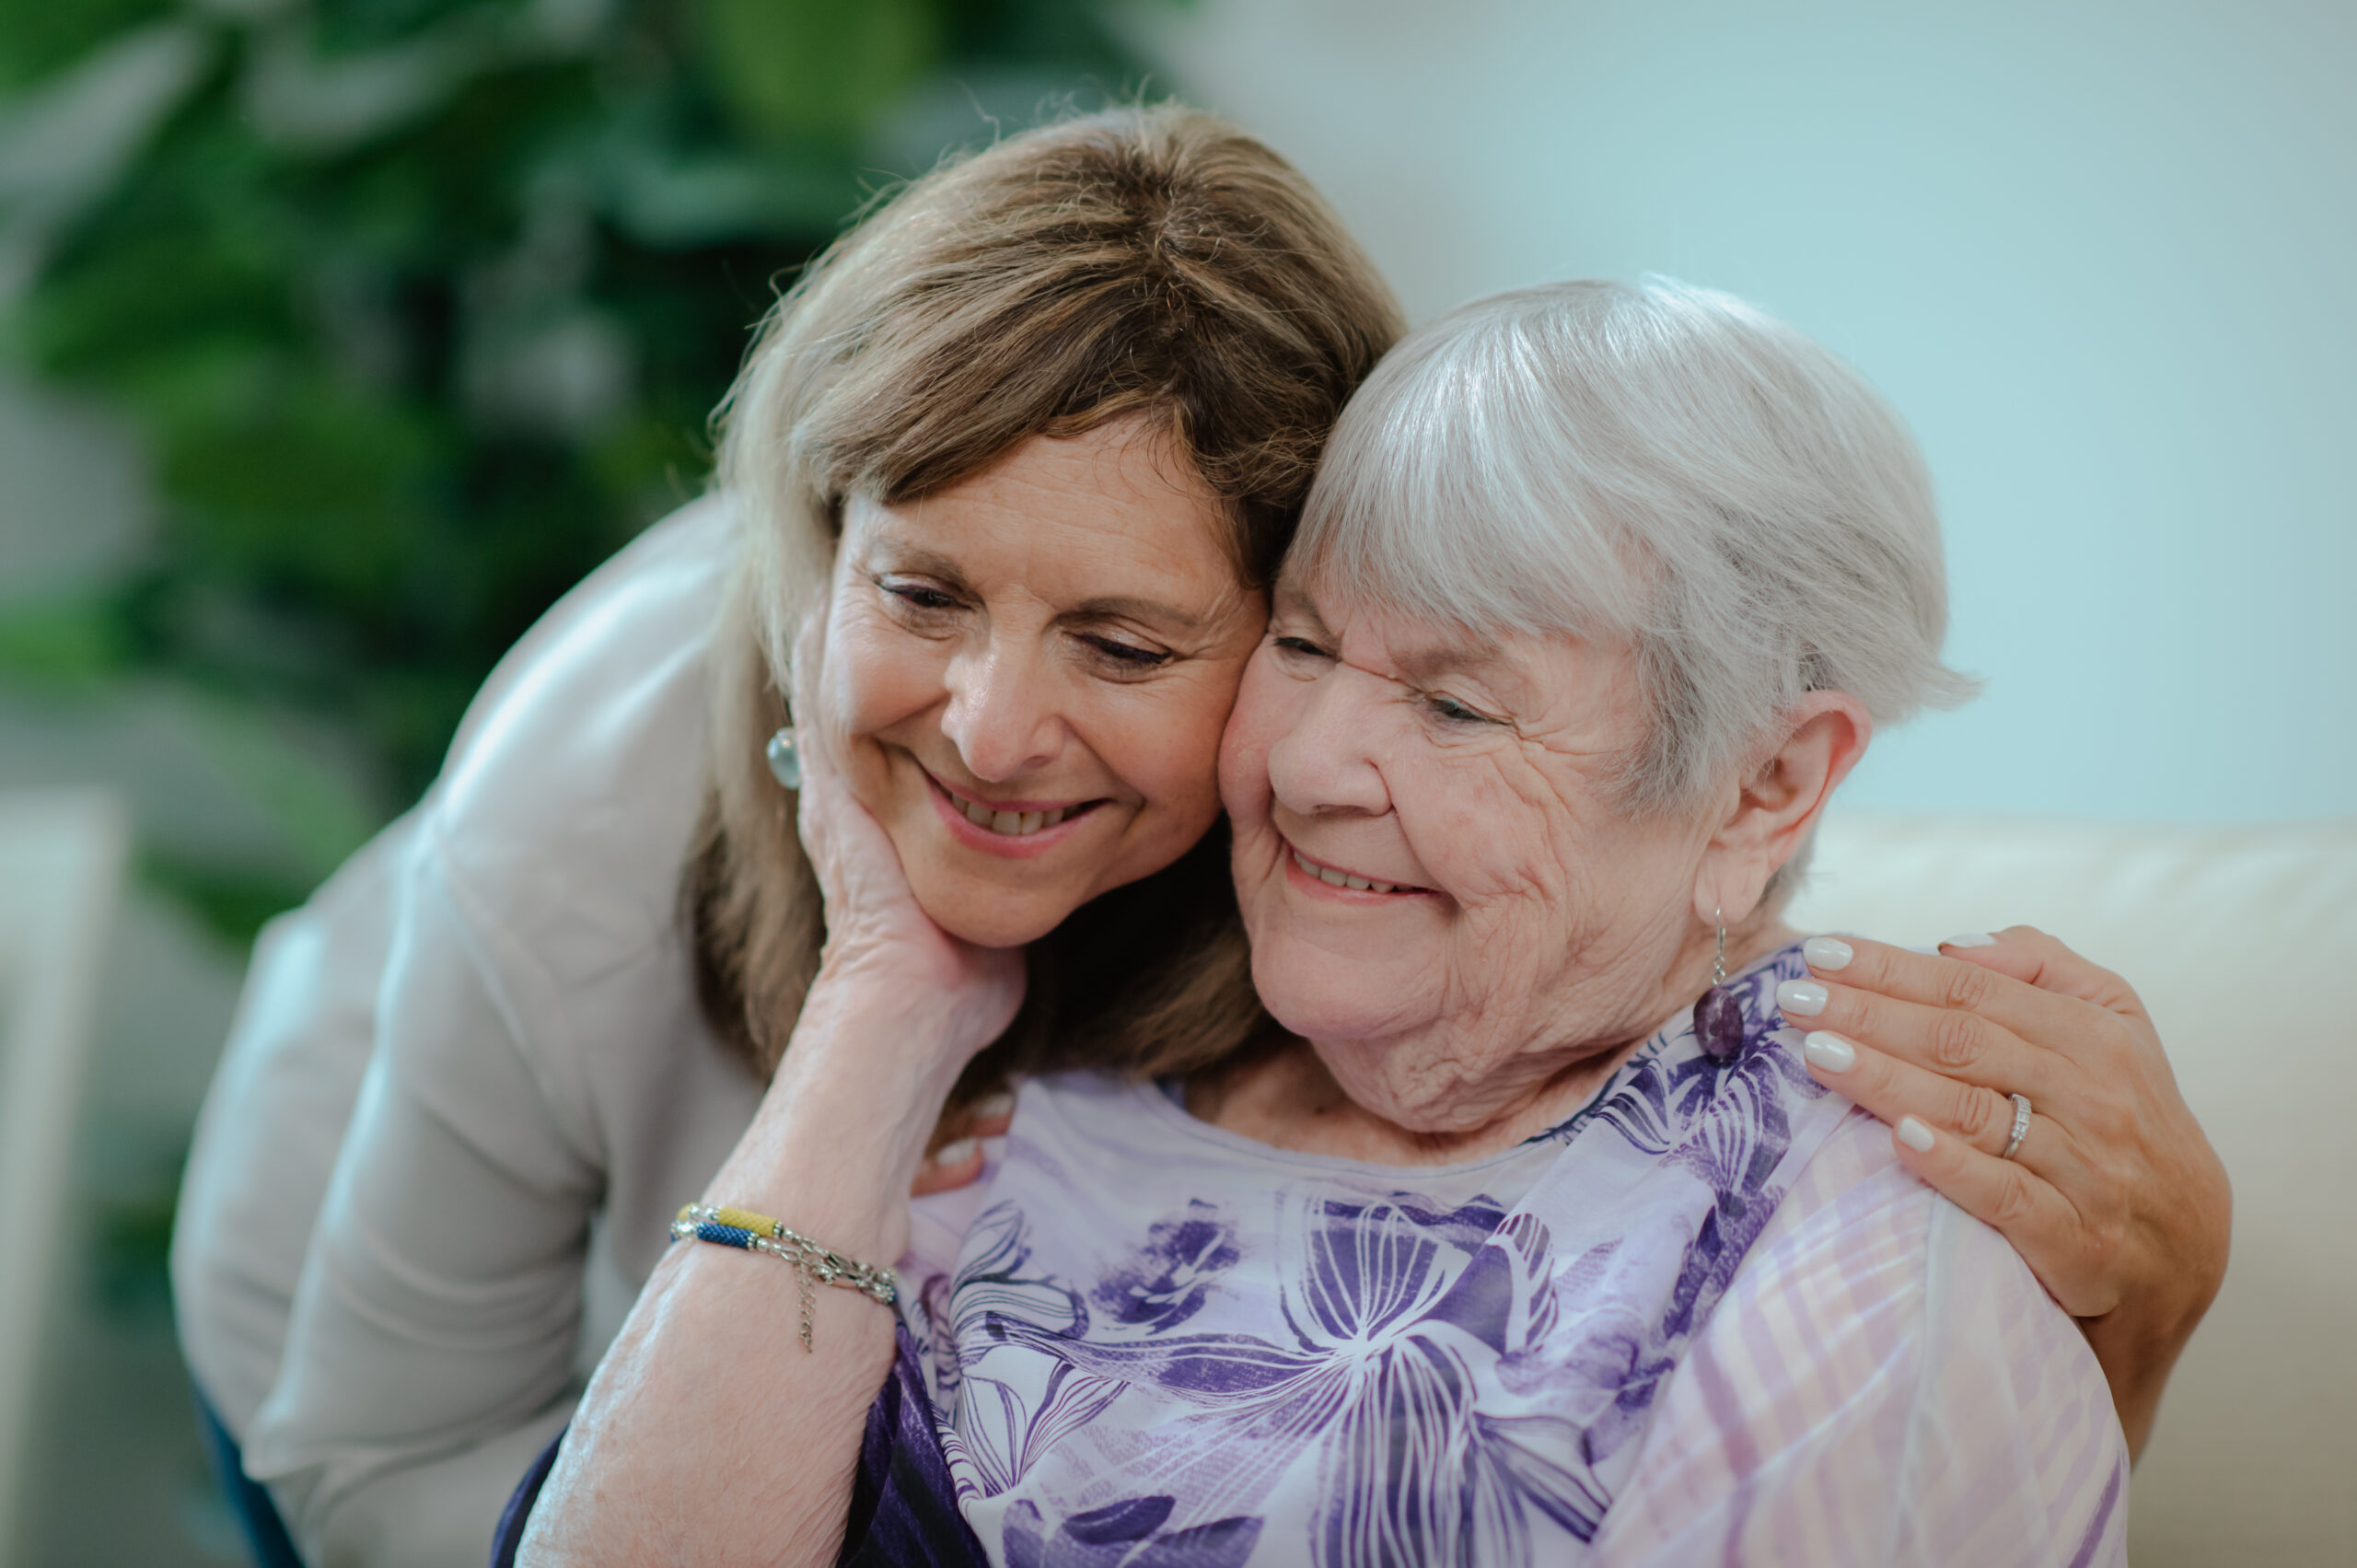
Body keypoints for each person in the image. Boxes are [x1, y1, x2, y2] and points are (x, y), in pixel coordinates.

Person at [169, 111, 2224, 1566]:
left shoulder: (1478, 949)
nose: (990, 727)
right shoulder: (589, 809)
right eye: (921, 593)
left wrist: (2135, 1314)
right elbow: (386, 1459)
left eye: (1132, 642)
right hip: (394, 1415)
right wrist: (886, 1010)